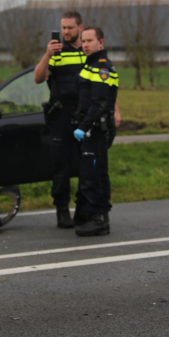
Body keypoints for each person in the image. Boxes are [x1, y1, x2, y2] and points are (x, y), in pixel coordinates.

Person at [34, 12, 120, 229]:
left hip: (87, 116)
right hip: (62, 115)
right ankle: (62, 210)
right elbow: (37, 78)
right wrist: (46, 55)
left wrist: (115, 111)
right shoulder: (57, 53)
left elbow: (105, 86)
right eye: (63, 28)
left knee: (90, 164)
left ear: (80, 28)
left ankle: (86, 209)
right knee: (60, 165)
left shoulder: (89, 51)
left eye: (70, 28)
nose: (66, 32)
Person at [72, 26, 118, 236]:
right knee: (98, 172)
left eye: (90, 41)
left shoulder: (102, 67)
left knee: (92, 175)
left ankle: (97, 219)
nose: (86, 45)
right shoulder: (89, 65)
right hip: (92, 127)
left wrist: (83, 127)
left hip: (95, 129)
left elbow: (99, 103)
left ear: (101, 42)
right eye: (84, 41)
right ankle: (100, 216)